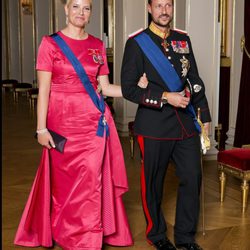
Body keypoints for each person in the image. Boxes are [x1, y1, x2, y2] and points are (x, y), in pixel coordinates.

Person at [14, 0, 148, 249]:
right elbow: (44, 91)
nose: (80, 12)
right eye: (75, 7)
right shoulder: (50, 43)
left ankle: (86, 238)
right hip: (61, 123)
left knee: (90, 182)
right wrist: (40, 129)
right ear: (65, 9)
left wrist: (136, 89)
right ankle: (65, 231)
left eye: (86, 8)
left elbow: (105, 88)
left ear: (90, 13)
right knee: (63, 184)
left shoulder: (97, 45)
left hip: (92, 125)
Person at [121, 0, 211, 250]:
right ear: (149, 8)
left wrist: (204, 117)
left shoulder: (183, 39)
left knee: (192, 177)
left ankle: (185, 236)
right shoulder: (137, 43)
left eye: (168, 5)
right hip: (154, 125)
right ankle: (157, 235)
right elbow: (128, 88)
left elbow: (194, 81)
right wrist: (163, 97)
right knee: (153, 183)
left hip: (184, 123)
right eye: (158, 5)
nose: (164, 10)